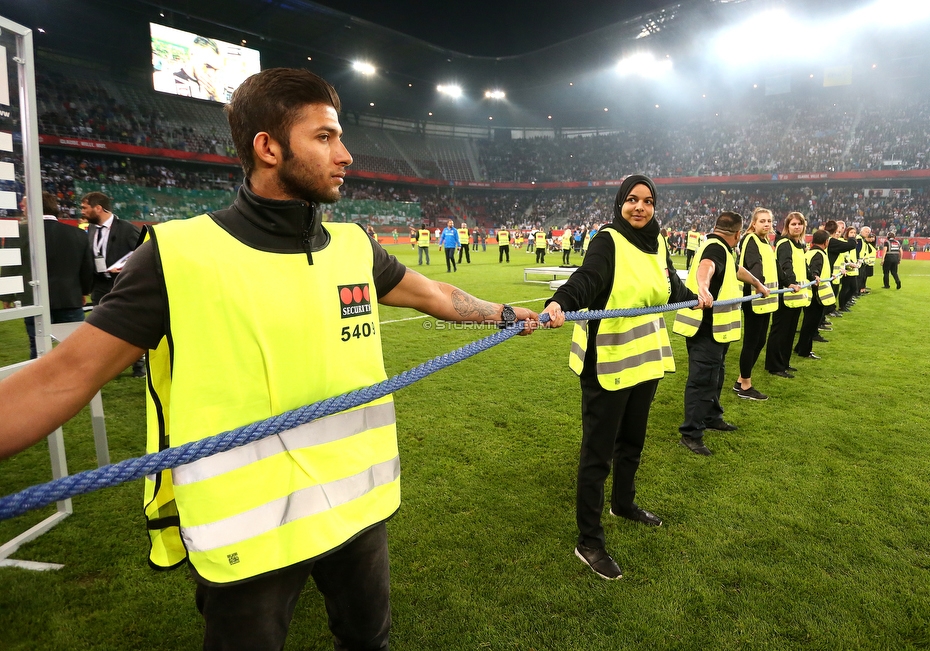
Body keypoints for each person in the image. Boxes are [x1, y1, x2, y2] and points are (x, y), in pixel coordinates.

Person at [0, 68, 542, 651]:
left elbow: (437, 295)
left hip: (358, 510)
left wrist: (503, 314)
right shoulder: (180, 255)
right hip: (250, 533)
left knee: (369, 642)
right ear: (268, 147)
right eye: (326, 137)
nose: (347, 154)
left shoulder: (355, 247)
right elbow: (62, 377)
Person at [542, 175, 700, 580]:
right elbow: (587, 279)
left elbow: (669, 286)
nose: (639, 207)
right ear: (620, 203)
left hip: (645, 362)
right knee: (598, 454)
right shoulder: (607, 240)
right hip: (607, 364)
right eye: (631, 200)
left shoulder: (659, 241)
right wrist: (560, 301)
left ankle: (624, 504)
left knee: (632, 441)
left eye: (647, 201)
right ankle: (589, 541)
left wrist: (696, 296)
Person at [674, 212, 769, 456]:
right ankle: (691, 434)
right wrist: (703, 288)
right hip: (705, 329)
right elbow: (707, 266)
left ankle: (711, 416)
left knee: (716, 374)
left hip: (716, 331)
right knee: (702, 379)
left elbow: (736, 270)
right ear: (738, 234)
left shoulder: (723, 249)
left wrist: (757, 284)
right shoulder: (716, 248)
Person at [24, 192, 96, 359]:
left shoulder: (23, 233)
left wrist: (10, 296)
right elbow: (87, 269)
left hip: (35, 300)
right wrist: (83, 292)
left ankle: (41, 384)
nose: (22, 208)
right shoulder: (78, 234)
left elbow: (15, 267)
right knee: (73, 350)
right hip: (69, 299)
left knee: (38, 349)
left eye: (25, 205)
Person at [82, 190, 145, 377]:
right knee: (101, 325)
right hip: (100, 284)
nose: (82, 211)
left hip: (122, 283)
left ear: (98, 208)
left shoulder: (127, 228)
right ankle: (107, 366)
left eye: (85, 208)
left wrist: (125, 267)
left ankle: (138, 366)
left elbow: (142, 252)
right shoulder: (91, 229)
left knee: (129, 323)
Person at [734, 208, 779, 401]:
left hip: (765, 297)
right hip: (754, 297)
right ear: (754, 223)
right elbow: (754, 265)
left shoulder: (765, 242)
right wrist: (759, 284)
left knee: (760, 340)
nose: (767, 224)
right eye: (762, 221)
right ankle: (745, 385)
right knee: (752, 342)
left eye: (769, 221)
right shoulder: (751, 240)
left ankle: (741, 380)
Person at [764, 212, 808, 379]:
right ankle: (774, 365)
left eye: (799, 224)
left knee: (789, 332)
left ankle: (784, 362)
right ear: (787, 227)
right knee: (780, 331)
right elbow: (785, 266)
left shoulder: (799, 244)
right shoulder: (784, 243)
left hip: (796, 296)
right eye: (793, 224)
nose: (796, 227)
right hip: (786, 293)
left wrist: (813, 276)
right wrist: (791, 282)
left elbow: (803, 265)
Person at [794, 229, 835, 360]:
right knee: (811, 324)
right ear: (826, 242)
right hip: (816, 296)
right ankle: (804, 350)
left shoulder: (811, 252)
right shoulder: (819, 254)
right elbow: (814, 270)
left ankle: (800, 347)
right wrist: (816, 276)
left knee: (808, 323)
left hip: (809, 294)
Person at [837, 225, 860, 311]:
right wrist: (849, 263)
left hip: (853, 269)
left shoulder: (853, 243)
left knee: (853, 289)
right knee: (845, 288)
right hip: (846, 269)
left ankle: (844, 304)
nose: (853, 234)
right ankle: (841, 306)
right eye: (851, 232)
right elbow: (844, 256)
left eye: (854, 233)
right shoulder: (844, 242)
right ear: (847, 233)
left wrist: (856, 262)